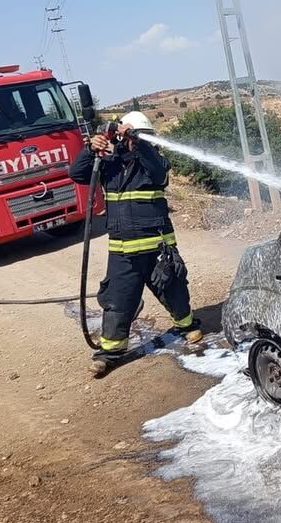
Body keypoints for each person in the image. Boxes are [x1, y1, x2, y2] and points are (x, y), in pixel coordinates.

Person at [69, 111, 202, 367]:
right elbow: (77, 173)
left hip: (158, 246)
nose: (137, 141)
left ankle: (187, 326)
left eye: (142, 137)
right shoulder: (109, 163)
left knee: (173, 288)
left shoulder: (155, 161)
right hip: (123, 250)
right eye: (134, 137)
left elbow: (159, 174)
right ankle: (109, 353)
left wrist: (138, 142)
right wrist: (90, 148)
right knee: (118, 300)